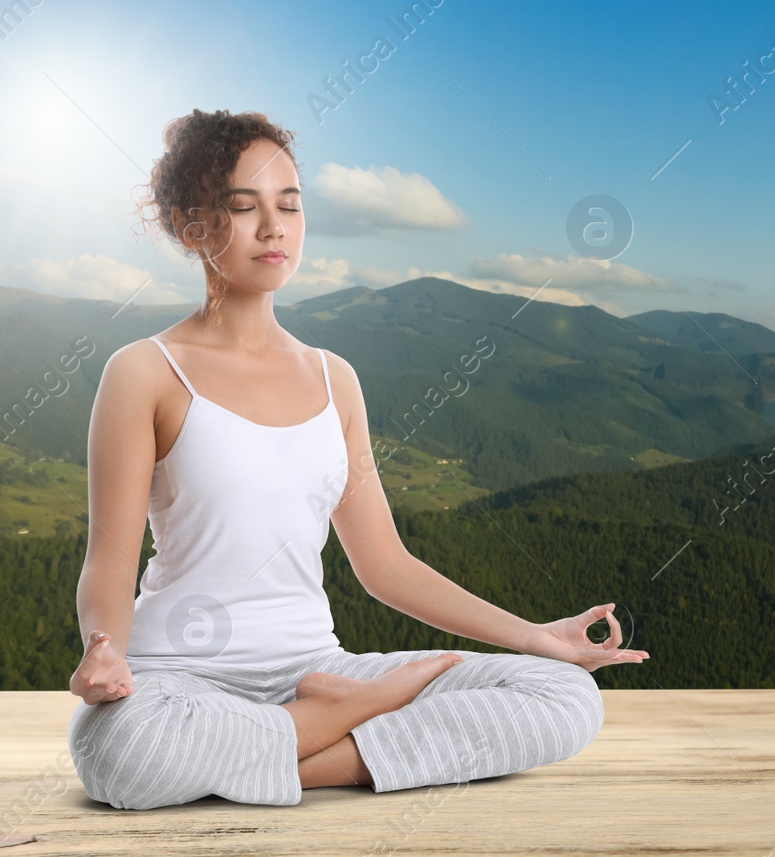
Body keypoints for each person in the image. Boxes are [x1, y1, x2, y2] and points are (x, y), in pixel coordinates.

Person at [66, 108, 648, 811]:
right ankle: (357, 720)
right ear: (192, 226)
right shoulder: (144, 371)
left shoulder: (333, 377)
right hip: (182, 678)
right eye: (243, 207)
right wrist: (103, 646)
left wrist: (535, 636)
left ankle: (303, 742)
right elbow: (109, 557)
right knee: (123, 751)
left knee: (563, 695)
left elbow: (385, 565)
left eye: (290, 204)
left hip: (316, 667)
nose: (274, 227)